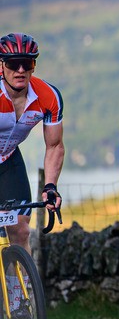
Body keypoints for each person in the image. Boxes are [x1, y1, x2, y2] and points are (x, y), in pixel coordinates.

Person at [0, 32, 64, 252]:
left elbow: (54, 146)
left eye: (26, 63)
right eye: (13, 63)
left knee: (20, 230)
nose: (20, 70)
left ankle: (22, 287)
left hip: (8, 160)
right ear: (2, 65)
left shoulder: (48, 97)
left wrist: (50, 187)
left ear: (34, 65)